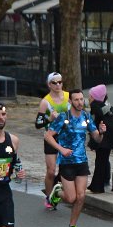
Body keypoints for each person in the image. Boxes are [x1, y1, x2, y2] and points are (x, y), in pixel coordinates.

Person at [44, 89, 106, 227]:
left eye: (81, 99)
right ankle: (57, 192)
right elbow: (48, 136)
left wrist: (101, 132)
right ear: (70, 101)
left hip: (82, 161)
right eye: (76, 100)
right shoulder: (64, 117)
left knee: (81, 196)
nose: (80, 102)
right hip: (66, 162)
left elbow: (97, 138)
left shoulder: (86, 116)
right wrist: (61, 149)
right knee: (71, 198)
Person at [35, 72, 69, 210]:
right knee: (51, 170)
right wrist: (49, 119)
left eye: (60, 82)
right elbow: (38, 124)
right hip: (51, 137)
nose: (58, 85)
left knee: (65, 169)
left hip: (67, 137)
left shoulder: (69, 97)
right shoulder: (45, 102)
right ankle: (48, 198)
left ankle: (58, 192)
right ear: (49, 84)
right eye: (54, 83)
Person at [88, 84, 113, 193]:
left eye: (90, 96)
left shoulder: (95, 107)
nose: (89, 98)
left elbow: (94, 125)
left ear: (94, 97)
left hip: (107, 134)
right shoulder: (107, 107)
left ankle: (97, 186)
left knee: (101, 160)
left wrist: (93, 143)